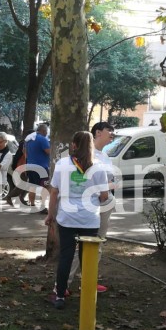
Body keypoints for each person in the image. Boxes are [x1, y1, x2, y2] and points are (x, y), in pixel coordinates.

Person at [44, 131, 109, 310]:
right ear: (91, 146)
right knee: (86, 258)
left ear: (73, 145)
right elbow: (104, 196)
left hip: (67, 218)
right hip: (90, 220)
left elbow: (54, 192)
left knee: (66, 256)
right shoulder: (98, 166)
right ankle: (88, 296)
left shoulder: (62, 164)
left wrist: (51, 214)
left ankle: (60, 296)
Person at [66, 122, 116, 294]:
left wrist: (110, 185)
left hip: (104, 204)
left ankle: (89, 281)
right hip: (92, 206)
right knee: (80, 245)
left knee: (97, 245)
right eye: (110, 130)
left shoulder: (104, 155)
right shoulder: (88, 155)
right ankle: (65, 283)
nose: (112, 133)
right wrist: (107, 186)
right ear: (98, 132)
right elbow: (86, 181)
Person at [25, 123, 51, 209]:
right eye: (46, 131)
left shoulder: (29, 139)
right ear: (43, 131)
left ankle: (32, 204)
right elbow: (48, 151)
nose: (47, 133)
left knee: (32, 186)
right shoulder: (43, 139)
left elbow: (24, 151)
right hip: (41, 167)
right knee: (45, 187)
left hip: (30, 166)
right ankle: (43, 206)